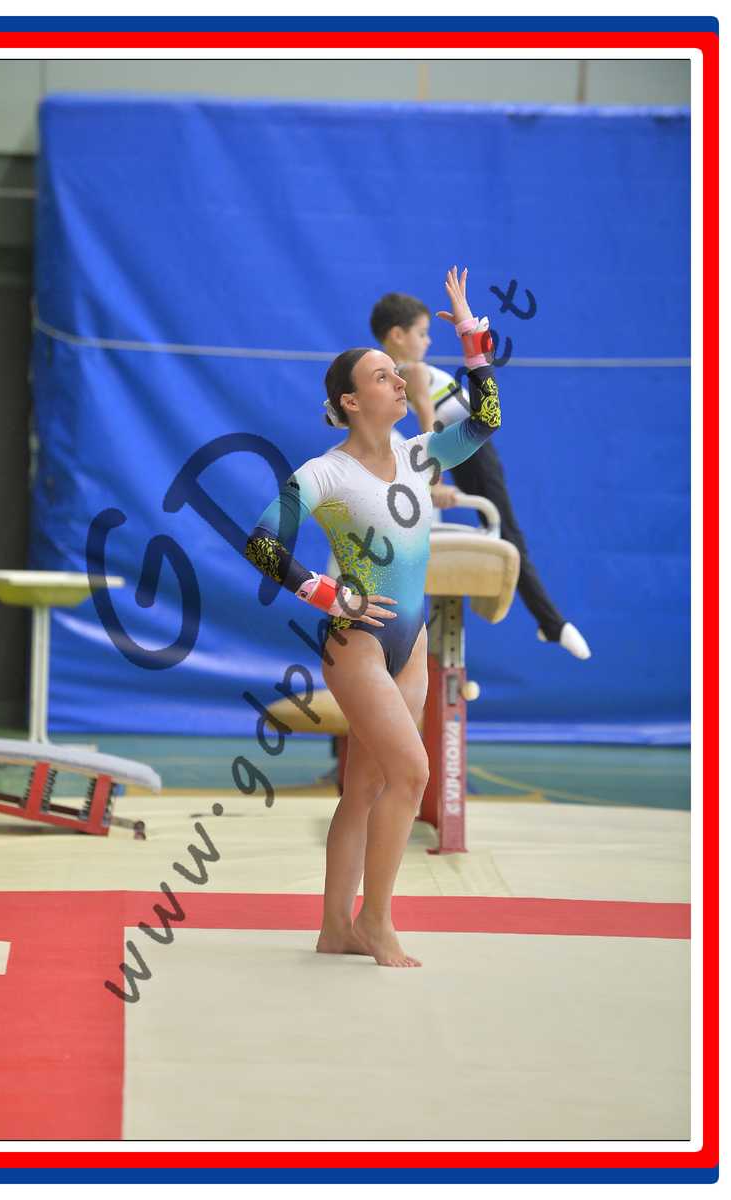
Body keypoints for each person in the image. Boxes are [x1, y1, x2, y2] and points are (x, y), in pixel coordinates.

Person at [244, 267, 500, 967]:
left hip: (409, 645)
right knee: (411, 773)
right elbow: (262, 543)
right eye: (383, 375)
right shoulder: (323, 473)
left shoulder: (420, 456)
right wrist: (330, 595)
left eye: (397, 373)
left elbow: (485, 421)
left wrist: (471, 336)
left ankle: (336, 927)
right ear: (352, 401)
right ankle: (377, 923)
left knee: (366, 787)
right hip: (356, 643)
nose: (400, 380)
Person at [370, 291, 591, 659]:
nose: (428, 341)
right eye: (422, 333)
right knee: (508, 535)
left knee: (506, 534)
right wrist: (434, 480)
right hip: (468, 450)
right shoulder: (409, 371)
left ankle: (551, 623)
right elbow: (427, 422)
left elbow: (425, 425)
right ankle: (552, 624)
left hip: (470, 451)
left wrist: (433, 476)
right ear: (396, 335)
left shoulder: (395, 373)